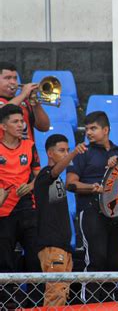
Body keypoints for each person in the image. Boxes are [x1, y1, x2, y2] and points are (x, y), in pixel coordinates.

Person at [66, 111, 118, 303]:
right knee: (96, 258)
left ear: (106, 129)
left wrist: (117, 169)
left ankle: (109, 303)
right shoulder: (83, 153)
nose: (89, 133)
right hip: (91, 210)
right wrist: (94, 188)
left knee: (114, 262)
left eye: (94, 128)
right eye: (87, 129)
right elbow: (71, 183)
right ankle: (90, 304)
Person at [34, 135, 87, 306]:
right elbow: (54, 171)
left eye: (67, 150)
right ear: (49, 153)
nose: (65, 154)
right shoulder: (44, 176)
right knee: (55, 294)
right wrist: (73, 154)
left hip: (63, 246)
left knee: (61, 295)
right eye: (61, 150)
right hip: (52, 245)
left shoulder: (57, 180)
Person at [0, 104, 41, 308]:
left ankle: (35, 301)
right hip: (3, 209)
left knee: (34, 255)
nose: (21, 125)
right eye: (15, 121)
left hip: (27, 206)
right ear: (3, 126)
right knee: (4, 258)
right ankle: (7, 302)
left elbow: (39, 174)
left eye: (22, 121)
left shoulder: (30, 145)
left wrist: (31, 185)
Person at [0, 62, 50, 140]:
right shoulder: (22, 97)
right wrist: (23, 94)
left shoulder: (24, 102)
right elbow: (2, 112)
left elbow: (44, 127)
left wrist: (35, 103)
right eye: (8, 78)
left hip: (27, 150)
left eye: (15, 78)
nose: (13, 82)